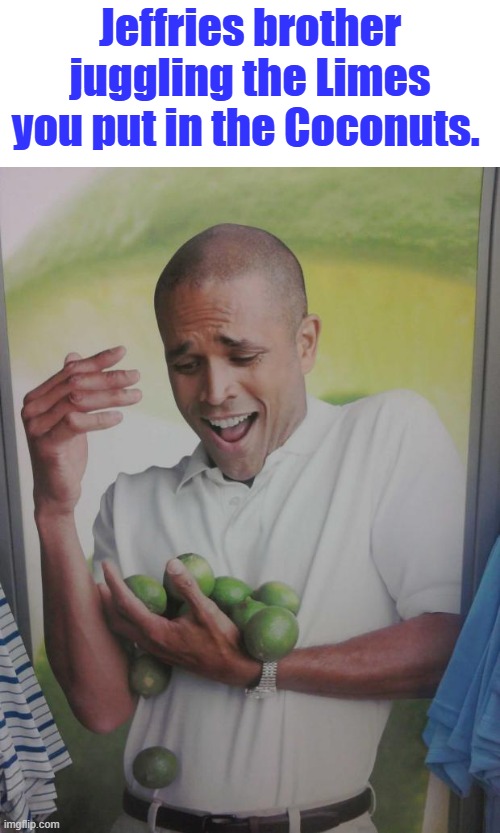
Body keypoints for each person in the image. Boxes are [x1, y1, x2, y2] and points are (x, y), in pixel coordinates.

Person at [21, 224, 465, 833]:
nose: (214, 392)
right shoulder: (131, 501)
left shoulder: (386, 436)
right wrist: (52, 506)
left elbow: (448, 648)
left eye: (243, 355)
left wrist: (256, 669)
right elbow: (100, 708)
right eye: (186, 363)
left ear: (305, 343)